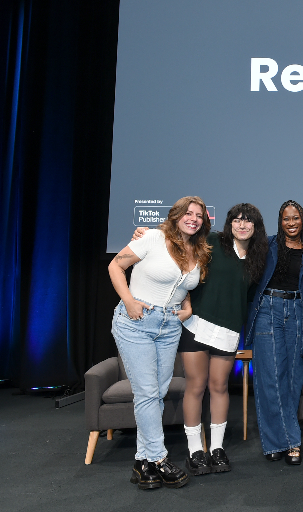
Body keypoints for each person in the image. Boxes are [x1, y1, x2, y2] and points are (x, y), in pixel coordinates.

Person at [134, 204, 268, 476]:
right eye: (237, 221)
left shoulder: (258, 257)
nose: (242, 226)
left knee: (219, 387)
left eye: (248, 222)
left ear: (256, 227)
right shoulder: (211, 242)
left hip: (229, 330)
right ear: (229, 224)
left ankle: (217, 449)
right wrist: (148, 233)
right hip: (196, 326)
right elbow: (179, 238)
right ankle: (196, 451)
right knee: (196, 386)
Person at [109, 196, 211, 490]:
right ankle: (159, 458)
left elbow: (179, 284)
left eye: (199, 215)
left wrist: (187, 306)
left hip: (169, 327)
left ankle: (143, 464)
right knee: (148, 393)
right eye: (188, 213)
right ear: (177, 215)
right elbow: (115, 266)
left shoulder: (198, 250)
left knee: (158, 393)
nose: (194, 218)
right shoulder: (153, 237)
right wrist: (128, 302)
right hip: (136, 322)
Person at [246, 200, 303, 466]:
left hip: (298, 312)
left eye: (295, 218)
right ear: (280, 221)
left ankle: (281, 441)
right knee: (270, 378)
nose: (291, 223)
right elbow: (237, 243)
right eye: (286, 218)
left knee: (293, 379)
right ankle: (286, 443)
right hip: (268, 310)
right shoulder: (266, 245)